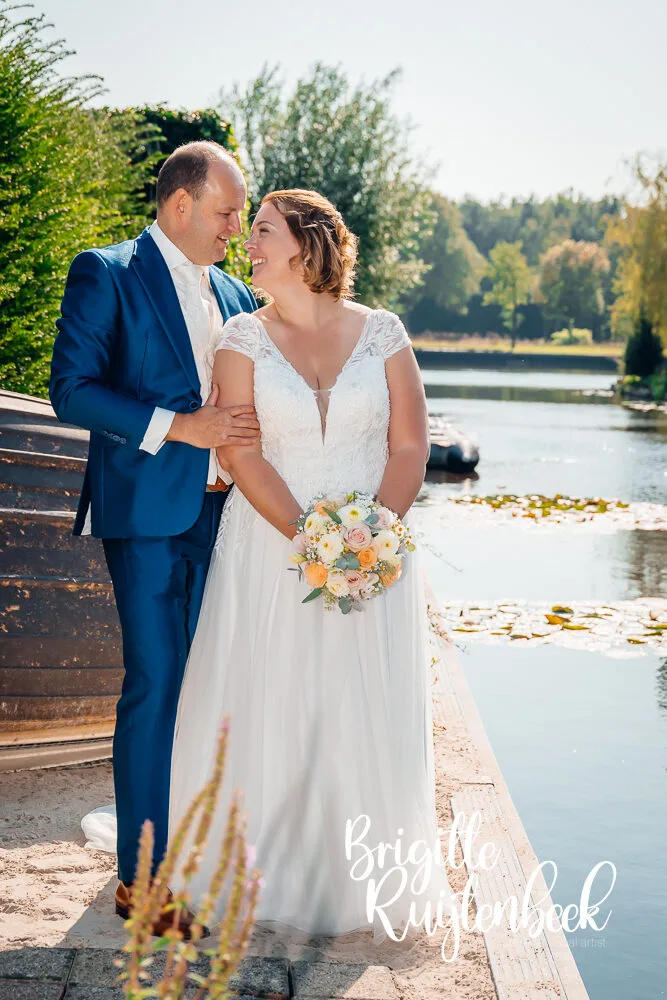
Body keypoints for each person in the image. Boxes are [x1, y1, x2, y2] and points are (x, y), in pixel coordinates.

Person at [167, 189, 458, 939]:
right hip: (269, 547)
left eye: (261, 231)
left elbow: (407, 445)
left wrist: (369, 538)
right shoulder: (240, 337)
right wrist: (310, 539)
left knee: (358, 702)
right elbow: (240, 451)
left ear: (306, 243)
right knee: (271, 694)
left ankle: (360, 870)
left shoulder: (383, 332)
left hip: (372, 555)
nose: (248, 243)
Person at [50, 141, 261, 938]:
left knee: (208, 692)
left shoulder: (238, 291)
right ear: (181, 204)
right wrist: (182, 427)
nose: (236, 229)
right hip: (144, 518)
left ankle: (193, 859)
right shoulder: (105, 271)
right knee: (156, 686)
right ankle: (141, 886)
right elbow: (71, 389)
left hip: (230, 521)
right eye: (227, 213)